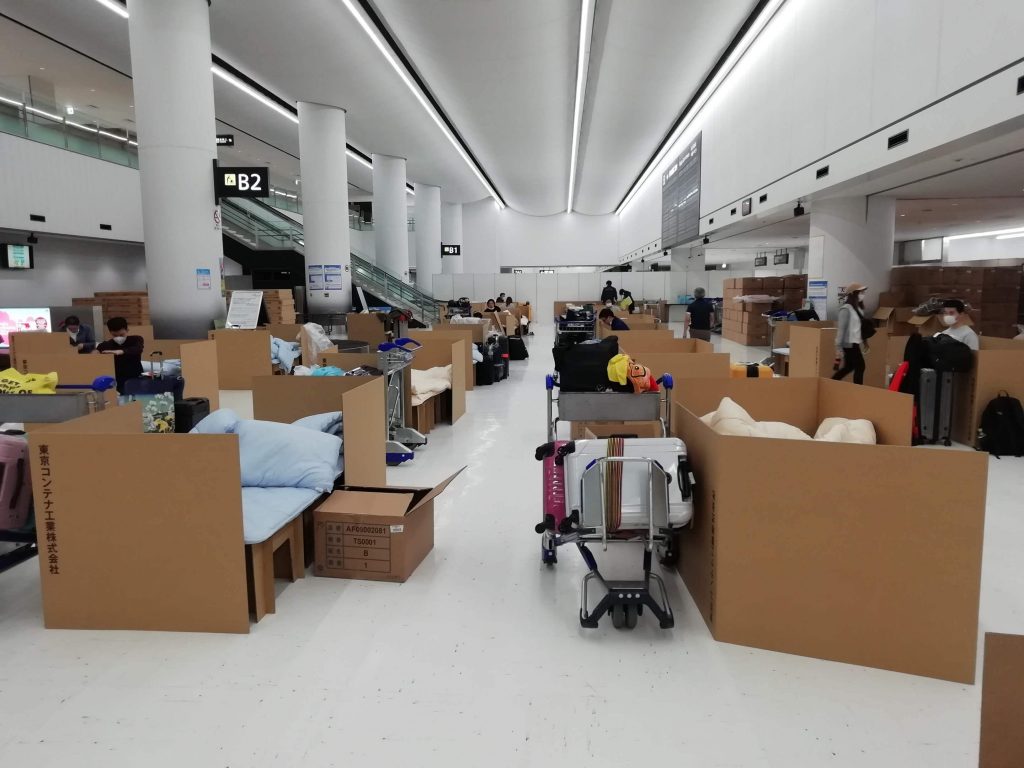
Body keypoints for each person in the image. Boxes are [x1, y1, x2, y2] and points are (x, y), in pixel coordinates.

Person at [832, 283, 870, 385]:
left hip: (855, 343)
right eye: (861, 292)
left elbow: (859, 328)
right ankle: (858, 390)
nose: (863, 294)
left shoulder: (858, 309)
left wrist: (865, 342)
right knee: (860, 366)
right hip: (848, 344)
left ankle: (832, 382)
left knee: (849, 367)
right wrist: (838, 348)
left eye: (864, 292)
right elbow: (841, 330)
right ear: (853, 293)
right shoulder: (846, 309)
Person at [95, 317, 145, 394]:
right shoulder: (105, 345)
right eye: (114, 335)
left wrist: (121, 351)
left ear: (127, 330)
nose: (118, 338)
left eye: (122, 335)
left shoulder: (136, 340)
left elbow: (138, 349)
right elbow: (95, 353)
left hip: (134, 378)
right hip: (115, 380)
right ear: (110, 333)